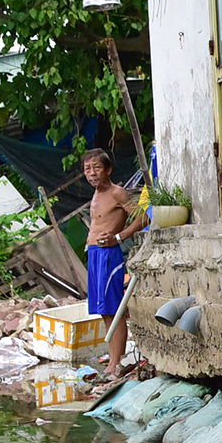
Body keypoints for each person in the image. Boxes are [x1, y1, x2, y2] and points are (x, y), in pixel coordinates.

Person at [83, 150, 147, 380]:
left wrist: (119, 237)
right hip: (94, 254)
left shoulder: (116, 193)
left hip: (109, 254)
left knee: (114, 309)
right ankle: (111, 361)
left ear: (108, 170)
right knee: (103, 311)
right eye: (88, 169)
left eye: (96, 168)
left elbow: (143, 217)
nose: (92, 173)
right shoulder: (97, 195)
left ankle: (115, 363)